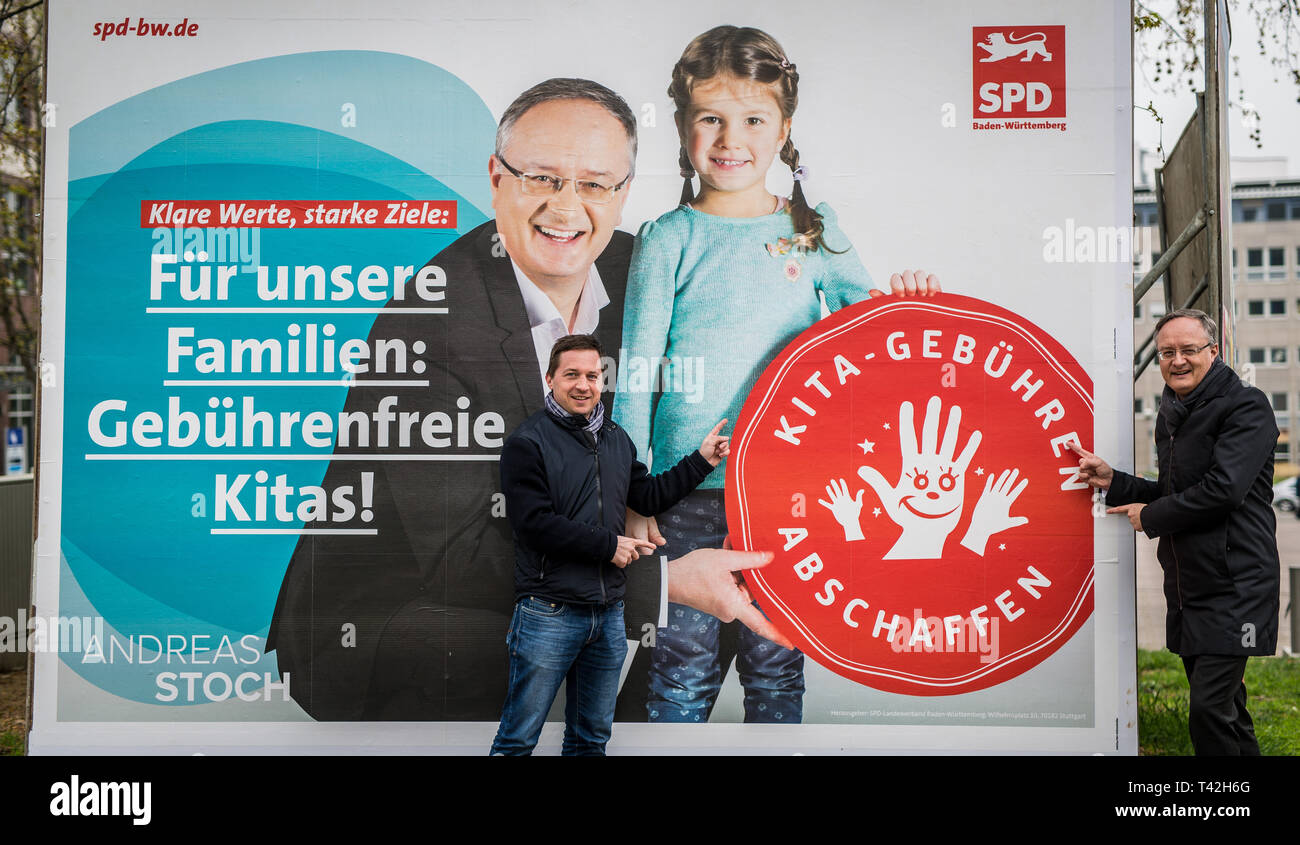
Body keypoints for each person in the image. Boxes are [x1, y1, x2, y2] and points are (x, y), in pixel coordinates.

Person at [266, 78, 781, 721]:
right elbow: (464, 556)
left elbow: (749, 338)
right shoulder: (425, 322)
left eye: (595, 184)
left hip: (579, 553)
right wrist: (668, 582)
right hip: (419, 608)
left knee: (719, 562)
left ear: (624, 192)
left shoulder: (641, 268)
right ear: (496, 177)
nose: (567, 209)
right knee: (596, 621)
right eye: (542, 177)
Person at [614, 25, 940, 724]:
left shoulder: (814, 231)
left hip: (788, 493)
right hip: (684, 494)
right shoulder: (669, 238)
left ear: (783, 127)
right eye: (711, 119)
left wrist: (909, 304)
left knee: (778, 663)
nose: (732, 139)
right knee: (680, 670)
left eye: (754, 119)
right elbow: (636, 374)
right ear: (682, 127)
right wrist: (633, 492)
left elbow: (880, 344)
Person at [490, 334, 729, 754]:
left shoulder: (616, 438)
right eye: (572, 375)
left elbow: (649, 497)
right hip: (549, 612)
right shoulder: (527, 442)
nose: (584, 384)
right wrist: (607, 546)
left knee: (591, 741)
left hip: (608, 616)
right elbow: (532, 524)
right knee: (517, 741)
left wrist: (701, 460)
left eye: (593, 375)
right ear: (550, 379)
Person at [1070, 309, 1279, 755]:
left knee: (1208, 710)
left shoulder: (1246, 405)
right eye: (1167, 352)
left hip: (1236, 583)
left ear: (1214, 352)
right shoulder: (1175, 410)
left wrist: (1152, 517)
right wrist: (1115, 481)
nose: (1177, 360)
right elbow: (1174, 491)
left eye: (1189, 350)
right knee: (1226, 709)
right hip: (1189, 586)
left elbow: (1224, 491)